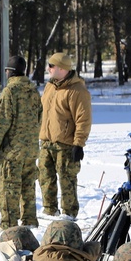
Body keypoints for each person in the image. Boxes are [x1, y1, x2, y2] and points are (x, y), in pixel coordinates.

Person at [0, 55, 41, 230]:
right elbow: (39, 119)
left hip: (12, 152)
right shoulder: (33, 91)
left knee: (9, 190)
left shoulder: (9, 91)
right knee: (28, 187)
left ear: (9, 72)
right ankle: (30, 221)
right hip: (31, 150)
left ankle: (9, 225)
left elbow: (1, 122)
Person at [38, 52, 91, 218]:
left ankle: (69, 214)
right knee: (45, 178)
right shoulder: (50, 87)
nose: (48, 68)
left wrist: (78, 144)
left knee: (67, 180)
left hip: (66, 144)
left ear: (62, 68)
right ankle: (49, 210)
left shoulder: (77, 91)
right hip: (46, 142)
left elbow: (83, 119)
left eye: (51, 66)